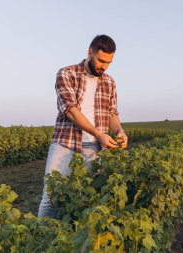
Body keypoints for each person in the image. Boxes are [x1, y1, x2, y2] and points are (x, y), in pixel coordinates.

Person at [38, 35, 128, 218]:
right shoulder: (66, 73)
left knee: (88, 196)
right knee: (51, 195)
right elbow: (70, 110)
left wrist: (119, 131)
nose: (104, 66)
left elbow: (112, 113)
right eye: (101, 60)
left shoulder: (110, 82)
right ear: (89, 53)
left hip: (94, 147)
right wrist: (98, 133)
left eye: (109, 63)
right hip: (64, 143)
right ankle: (42, 242)